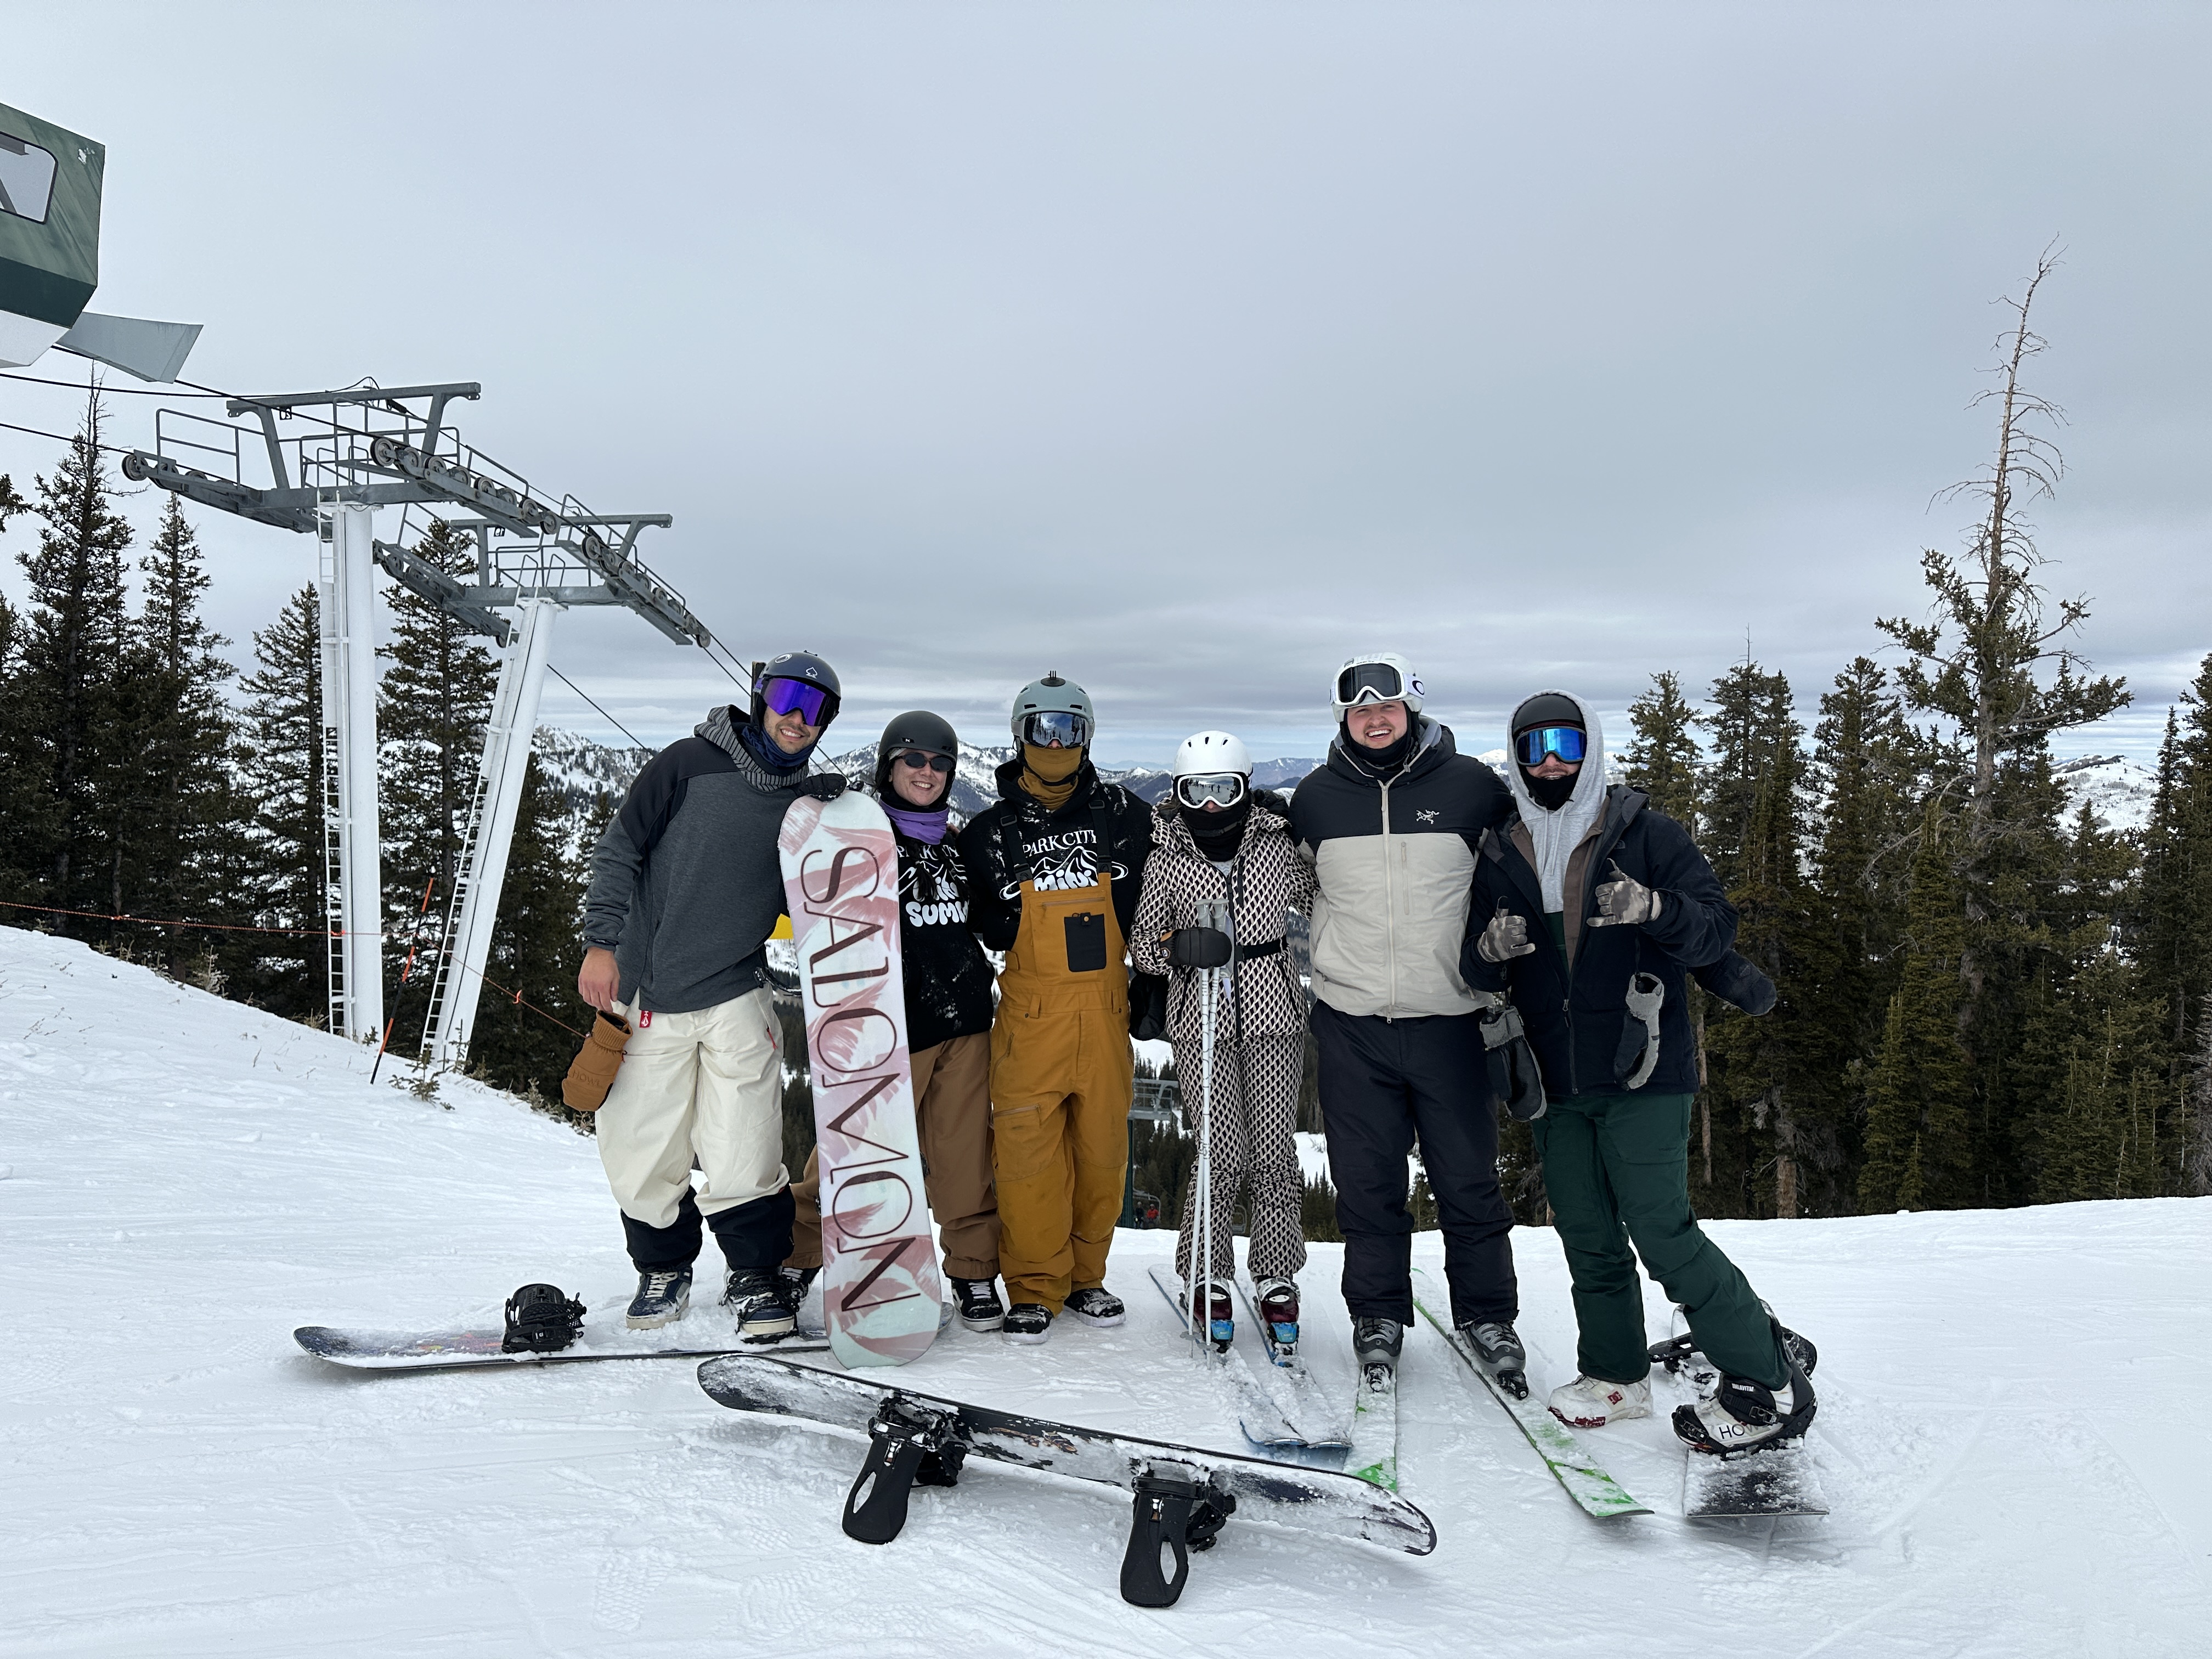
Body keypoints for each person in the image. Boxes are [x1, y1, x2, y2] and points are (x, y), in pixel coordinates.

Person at [1462, 689, 1817, 1454]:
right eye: (1533, 747)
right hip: (1555, 1080)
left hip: (1644, 1071)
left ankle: (1767, 1383)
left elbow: (1716, 927)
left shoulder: (1646, 834)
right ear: (1519, 759)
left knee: (1663, 1232)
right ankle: (1615, 1376)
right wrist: (1488, 949)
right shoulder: (1502, 848)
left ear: (1589, 746)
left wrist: (1653, 907)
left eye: (1564, 742)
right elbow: (1471, 960)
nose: (1550, 760)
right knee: (1587, 1234)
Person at [576, 651, 846, 1340]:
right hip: (647, 991)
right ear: (760, 698)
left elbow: (814, 893)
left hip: (736, 990)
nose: (797, 717)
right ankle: (663, 1266)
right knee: (641, 1146)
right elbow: (619, 851)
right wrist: (601, 945)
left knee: (746, 1148)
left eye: (816, 709)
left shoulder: (804, 803)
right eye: (787, 698)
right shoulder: (686, 764)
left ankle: (755, 1276)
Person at [1288, 653, 1522, 1378]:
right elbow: (1290, 884)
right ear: (1345, 719)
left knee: (1468, 1181)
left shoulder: (1473, 789)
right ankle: (1378, 1315)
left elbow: (1522, 872)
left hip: (1451, 1019)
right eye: (1361, 711)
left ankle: (1488, 1318)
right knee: (1368, 1185)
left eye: (1387, 707)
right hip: (1352, 1021)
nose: (1376, 718)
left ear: (1410, 709)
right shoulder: (1316, 799)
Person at [783, 712, 1006, 1331]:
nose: (927, 773)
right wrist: (818, 816)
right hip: (886, 1024)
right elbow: (809, 891)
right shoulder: (860, 838)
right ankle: (798, 1254)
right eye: (913, 760)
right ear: (889, 766)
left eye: (939, 763)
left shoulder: (955, 848)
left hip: (964, 1021)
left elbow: (988, 921)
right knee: (850, 1151)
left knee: (965, 1161)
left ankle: (973, 1270)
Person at [959, 674, 1154, 1344]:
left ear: (1088, 736)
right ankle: (1036, 1286)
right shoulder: (987, 832)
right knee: (1027, 1156)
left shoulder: (1128, 816)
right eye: (1042, 728)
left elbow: (1182, 867)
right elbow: (965, 919)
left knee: (1102, 1153)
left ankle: (1086, 1278)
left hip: (1105, 1012)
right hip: (1031, 1016)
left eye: (1069, 729)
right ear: (1019, 736)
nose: (1055, 741)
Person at [1131, 731, 1317, 1347]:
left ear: (1244, 787)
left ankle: (1275, 1271)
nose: (1210, 805)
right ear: (1179, 794)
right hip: (1201, 1016)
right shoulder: (1168, 856)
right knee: (1221, 1151)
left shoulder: (1275, 844)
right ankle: (1205, 1270)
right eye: (1196, 792)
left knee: (1273, 1151)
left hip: (1273, 1012)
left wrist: (1311, 849)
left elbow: (1317, 905)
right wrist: (1179, 947)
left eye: (1223, 790)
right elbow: (1143, 946)